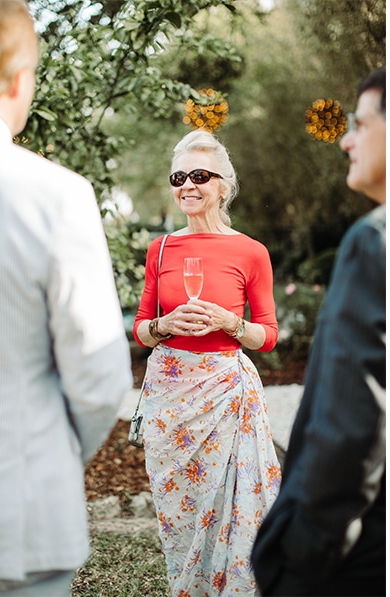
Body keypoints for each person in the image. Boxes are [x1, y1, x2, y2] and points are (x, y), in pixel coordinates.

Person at [0, 0, 133, 594]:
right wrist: (45, 451)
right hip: (18, 519)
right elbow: (99, 380)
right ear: (21, 81)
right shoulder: (55, 197)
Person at [251, 66, 387, 596]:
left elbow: (352, 423)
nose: (347, 139)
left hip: (350, 552)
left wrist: (303, 552)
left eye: (361, 123)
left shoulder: (370, 242)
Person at [132, 129, 282, 595]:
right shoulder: (160, 250)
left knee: (237, 511)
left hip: (227, 394)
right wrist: (166, 324)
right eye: (179, 177)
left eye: (199, 175)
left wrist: (230, 324)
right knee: (182, 513)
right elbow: (140, 328)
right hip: (171, 398)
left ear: (223, 184)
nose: (187, 186)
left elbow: (269, 335)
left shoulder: (250, 251)